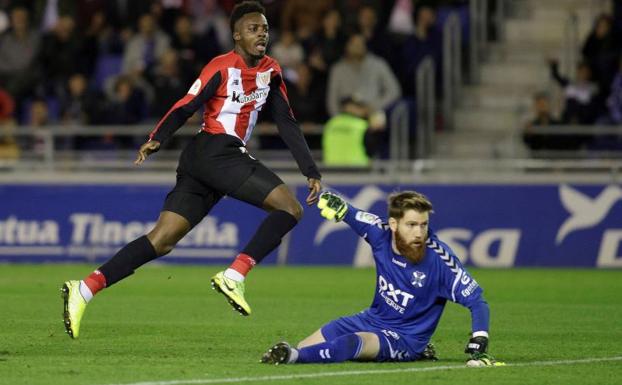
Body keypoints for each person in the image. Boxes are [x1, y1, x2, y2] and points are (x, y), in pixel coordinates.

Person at [61, 1, 322, 339]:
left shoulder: (271, 71)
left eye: (265, 29)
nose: (262, 34)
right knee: (290, 208)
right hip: (216, 151)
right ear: (237, 35)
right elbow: (188, 104)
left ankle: (84, 289)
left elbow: (286, 121)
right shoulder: (221, 66)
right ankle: (235, 275)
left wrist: (309, 168)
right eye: (254, 29)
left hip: (208, 159)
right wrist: (158, 137)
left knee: (162, 240)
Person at [261, 191, 502, 366]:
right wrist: (334, 202)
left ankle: (291, 357)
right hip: (370, 318)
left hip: (405, 338)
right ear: (394, 224)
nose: (419, 232)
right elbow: (353, 214)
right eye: (411, 225)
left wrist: (480, 339)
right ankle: (296, 353)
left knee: (354, 343)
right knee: (308, 346)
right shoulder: (380, 234)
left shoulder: (441, 261)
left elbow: (477, 301)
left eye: (423, 225)